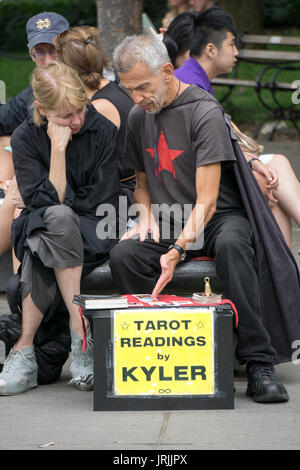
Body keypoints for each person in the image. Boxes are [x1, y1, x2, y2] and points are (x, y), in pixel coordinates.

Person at [110, 34, 300, 403]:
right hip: (168, 217)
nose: (136, 98)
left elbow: (208, 201)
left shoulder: (203, 111)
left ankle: (258, 360)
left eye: (142, 87)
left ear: (167, 71)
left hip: (216, 217)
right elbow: (142, 185)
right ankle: (162, 353)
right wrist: (146, 216)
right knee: (124, 256)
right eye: (129, 90)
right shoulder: (138, 115)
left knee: (232, 245)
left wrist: (178, 249)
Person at [0, 61, 121, 395]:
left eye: (80, 110)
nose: (77, 121)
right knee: (56, 221)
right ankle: (79, 330)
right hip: (47, 227)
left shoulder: (103, 131)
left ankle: (23, 351)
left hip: (96, 227)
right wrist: (58, 150)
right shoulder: (26, 137)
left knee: (51, 233)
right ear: (42, 109)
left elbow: (101, 199)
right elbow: (45, 204)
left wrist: (59, 209)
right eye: (66, 116)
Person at [174, 6, 300, 248]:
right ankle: (283, 281)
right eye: (231, 44)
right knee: (276, 175)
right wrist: (252, 163)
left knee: (275, 181)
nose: (237, 52)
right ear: (211, 49)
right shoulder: (190, 84)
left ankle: (284, 282)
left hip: (212, 169)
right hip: (202, 180)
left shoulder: (192, 77)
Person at [0, 12, 70, 263]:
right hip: (39, 179)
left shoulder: (80, 86)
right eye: (40, 52)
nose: (48, 60)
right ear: (30, 52)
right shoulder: (34, 90)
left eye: (54, 50)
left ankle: (21, 293)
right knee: (5, 142)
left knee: (19, 201)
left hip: (75, 187)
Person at [53, 25, 135, 201]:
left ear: (63, 67)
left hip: (118, 198)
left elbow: (84, 172)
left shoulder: (98, 108)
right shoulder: (112, 90)